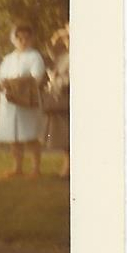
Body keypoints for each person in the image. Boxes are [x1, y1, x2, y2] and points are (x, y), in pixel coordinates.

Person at [0, 23, 46, 178]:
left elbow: (37, 77)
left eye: (26, 38)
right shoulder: (8, 58)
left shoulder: (34, 56)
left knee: (29, 134)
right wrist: (0, 83)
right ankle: (17, 167)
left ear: (31, 39)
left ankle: (36, 168)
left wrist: (15, 83)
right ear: (13, 39)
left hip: (26, 101)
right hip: (9, 101)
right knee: (13, 136)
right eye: (19, 38)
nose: (23, 41)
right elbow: (0, 76)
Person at [44, 24, 69, 179]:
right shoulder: (63, 56)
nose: (66, 41)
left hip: (69, 96)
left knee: (70, 133)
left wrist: (56, 80)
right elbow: (50, 53)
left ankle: (69, 168)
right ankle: (67, 166)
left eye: (68, 38)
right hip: (61, 98)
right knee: (65, 134)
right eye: (66, 38)